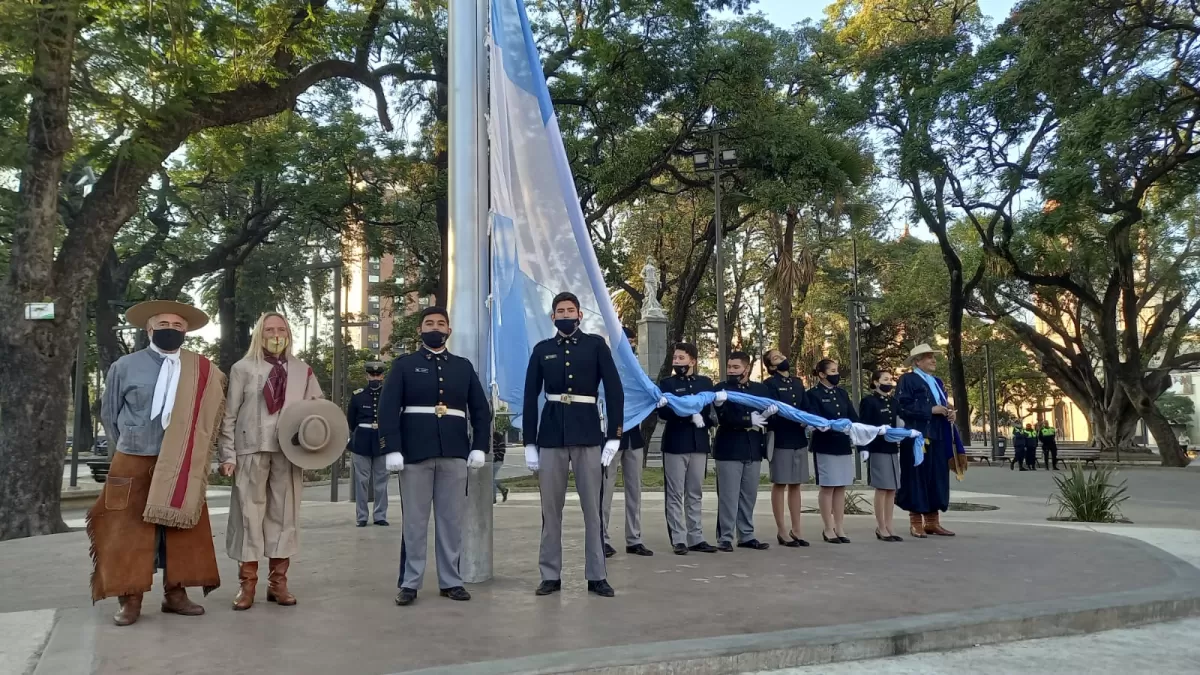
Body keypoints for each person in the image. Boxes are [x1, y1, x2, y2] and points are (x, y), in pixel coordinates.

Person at [91, 300, 226, 626]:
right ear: (149, 329)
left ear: (186, 331)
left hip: (181, 460)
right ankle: (130, 598)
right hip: (134, 459)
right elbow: (109, 414)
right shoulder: (125, 366)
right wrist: (131, 443)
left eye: (178, 325)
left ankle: (175, 594)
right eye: (163, 324)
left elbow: (211, 417)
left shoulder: (201, 370)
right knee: (128, 530)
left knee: (181, 529)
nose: (171, 329)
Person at [380, 306, 493, 606]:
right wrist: (392, 447)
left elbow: (480, 410)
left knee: (451, 521)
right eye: (429, 323)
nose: (435, 328)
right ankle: (410, 582)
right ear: (420, 330)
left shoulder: (463, 367)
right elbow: (388, 408)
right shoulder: (404, 365)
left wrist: (479, 445)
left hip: (454, 451)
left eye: (441, 323)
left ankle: (451, 581)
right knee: (414, 522)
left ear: (449, 330)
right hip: (414, 452)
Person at [220, 312, 323, 611]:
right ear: (259, 334)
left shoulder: (303, 371)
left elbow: (316, 412)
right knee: (248, 515)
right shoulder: (242, 368)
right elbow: (229, 415)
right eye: (269, 330)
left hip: (289, 451)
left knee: (284, 514)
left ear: (288, 334)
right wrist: (228, 454)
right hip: (250, 449)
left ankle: (278, 583)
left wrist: (313, 450)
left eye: (281, 329)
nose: (276, 335)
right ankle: (247, 584)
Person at [523, 292, 624, 597]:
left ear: (580, 315)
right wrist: (529, 442)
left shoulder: (596, 346)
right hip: (551, 435)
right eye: (560, 310)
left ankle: (597, 575)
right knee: (550, 510)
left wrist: (614, 435)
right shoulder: (543, 350)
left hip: (587, 433)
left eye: (570, 310)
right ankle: (550, 574)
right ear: (552, 316)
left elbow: (614, 390)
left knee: (592, 510)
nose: (565, 314)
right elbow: (530, 396)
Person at [657, 342, 718, 555]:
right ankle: (678, 539)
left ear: (693, 361)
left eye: (681, 358)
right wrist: (687, 413)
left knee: (695, 492)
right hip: (676, 442)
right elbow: (663, 412)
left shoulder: (705, 383)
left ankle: (696, 537)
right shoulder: (667, 383)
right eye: (675, 358)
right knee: (675, 493)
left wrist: (703, 419)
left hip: (698, 442)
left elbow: (711, 413)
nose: (677, 362)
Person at [895, 344, 961, 538]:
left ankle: (932, 522)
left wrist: (950, 412)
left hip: (938, 435)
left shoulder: (937, 382)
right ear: (917, 361)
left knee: (937, 477)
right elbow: (902, 407)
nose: (933, 361)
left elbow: (941, 404)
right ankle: (916, 522)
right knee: (917, 477)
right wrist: (930, 410)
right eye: (928, 357)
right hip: (917, 436)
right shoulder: (907, 380)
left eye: (934, 357)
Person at [712, 351, 774, 552]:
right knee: (728, 496)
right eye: (729, 367)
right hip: (729, 447)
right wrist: (748, 420)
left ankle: (746, 535)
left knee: (749, 495)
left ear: (747, 369)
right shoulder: (721, 389)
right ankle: (725, 537)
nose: (731, 370)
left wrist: (767, 415)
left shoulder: (760, 389)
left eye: (736, 367)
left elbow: (770, 414)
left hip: (752, 446)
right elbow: (723, 417)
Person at [600, 327, 654, 558]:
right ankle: (601, 538)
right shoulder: (604, 366)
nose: (630, 346)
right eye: (625, 341)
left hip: (634, 438)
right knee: (605, 491)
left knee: (635, 491)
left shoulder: (636, 370)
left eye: (631, 342)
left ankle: (634, 538)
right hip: (610, 438)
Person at [804, 359, 859, 544]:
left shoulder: (841, 393)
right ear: (822, 374)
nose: (836, 374)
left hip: (842, 443)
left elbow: (852, 417)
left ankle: (839, 527)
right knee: (828, 487)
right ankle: (828, 528)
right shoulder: (813, 394)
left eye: (836, 370)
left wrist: (852, 428)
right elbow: (814, 418)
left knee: (841, 486)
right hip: (825, 444)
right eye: (832, 371)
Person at [762, 349, 810, 547]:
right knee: (780, 483)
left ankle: (796, 529)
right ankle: (782, 530)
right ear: (771, 366)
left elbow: (805, 405)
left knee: (796, 484)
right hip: (781, 437)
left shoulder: (797, 382)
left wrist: (807, 420)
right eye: (776, 358)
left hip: (798, 437)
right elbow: (771, 411)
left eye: (782, 355)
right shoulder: (769, 384)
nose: (782, 359)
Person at [859, 371, 902, 542]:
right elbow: (863, 426)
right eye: (885, 379)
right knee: (882, 488)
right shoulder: (869, 401)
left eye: (890, 379)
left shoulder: (894, 401)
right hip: (877, 448)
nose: (889, 382)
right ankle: (881, 526)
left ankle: (889, 525)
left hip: (892, 448)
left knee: (892, 488)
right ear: (876, 382)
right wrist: (864, 447)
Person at [347, 361, 391, 527]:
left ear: (382, 376)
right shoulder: (358, 395)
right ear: (367, 376)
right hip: (362, 441)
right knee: (361, 481)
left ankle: (380, 515)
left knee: (382, 480)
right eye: (372, 375)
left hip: (382, 440)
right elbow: (351, 420)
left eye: (378, 375)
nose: (375, 378)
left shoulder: (388, 395)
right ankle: (362, 516)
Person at [492, 430, 509, 504]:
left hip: (497, 461)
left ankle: (493, 498)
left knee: (490, 479)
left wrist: (496, 458)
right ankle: (503, 489)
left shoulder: (497, 436)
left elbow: (502, 450)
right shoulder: (489, 436)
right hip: (492, 461)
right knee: (491, 478)